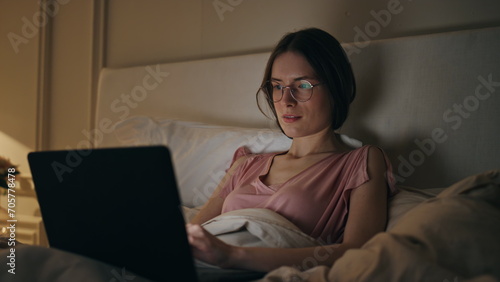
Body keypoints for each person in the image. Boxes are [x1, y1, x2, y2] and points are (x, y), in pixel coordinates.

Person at [186, 27, 397, 273]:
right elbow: (192, 236)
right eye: (277, 86)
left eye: (303, 84)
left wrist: (234, 256)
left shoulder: (361, 162)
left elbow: (357, 251)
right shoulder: (245, 165)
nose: (287, 100)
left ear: (335, 88)